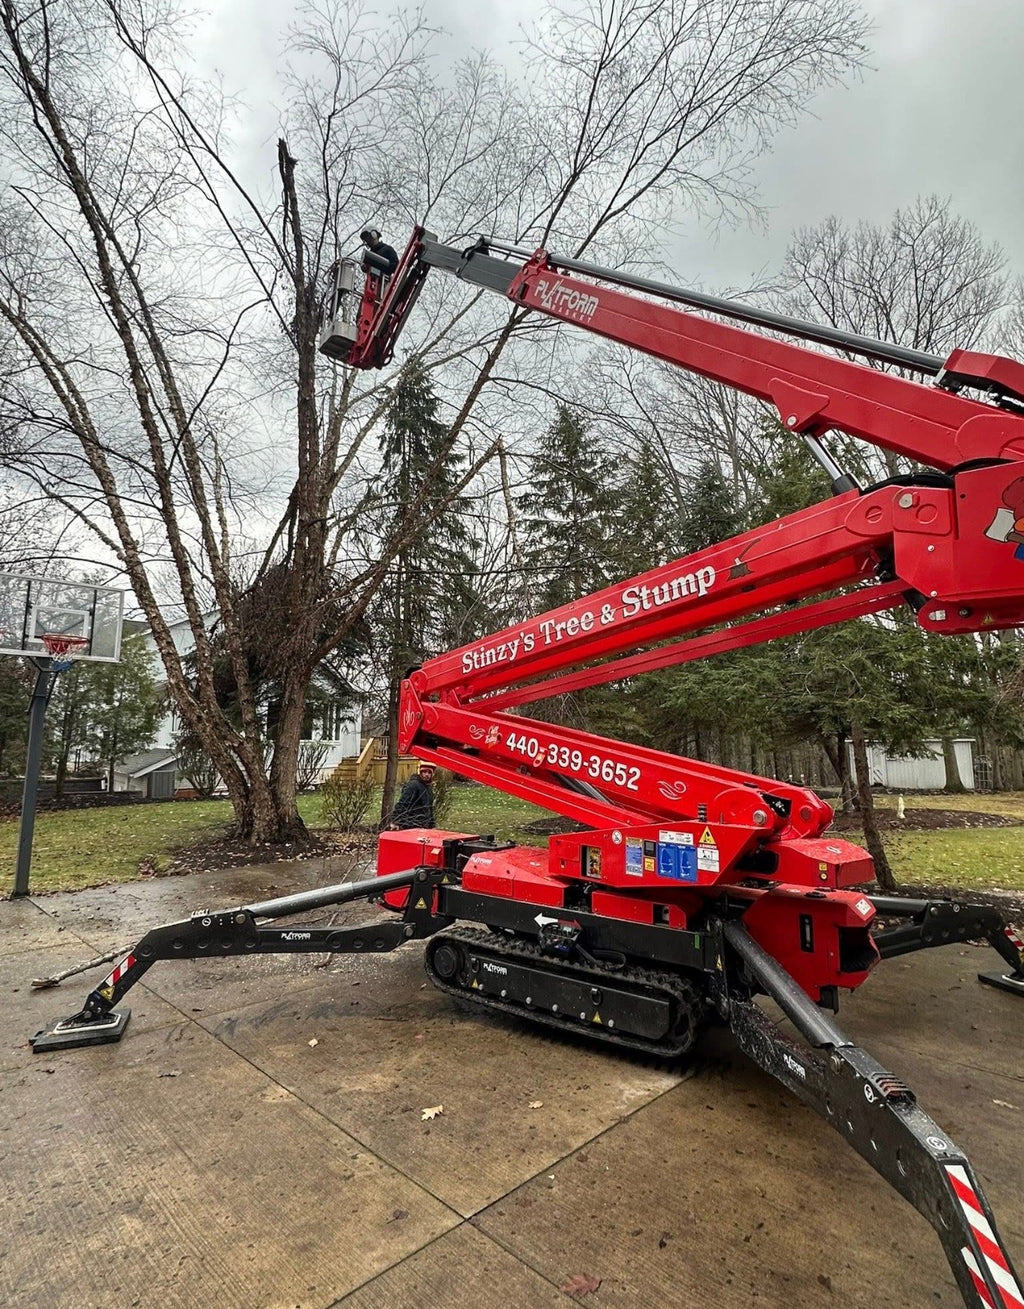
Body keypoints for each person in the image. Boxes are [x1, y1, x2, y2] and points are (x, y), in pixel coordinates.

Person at [388, 762, 436, 829]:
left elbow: (429, 809)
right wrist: (395, 821)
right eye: (424, 772)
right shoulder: (413, 785)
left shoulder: (428, 788)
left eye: (429, 772)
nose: (427, 774)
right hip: (412, 824)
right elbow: (403, 803)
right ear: (420, 772)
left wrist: (432, 825)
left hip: (424, 826)